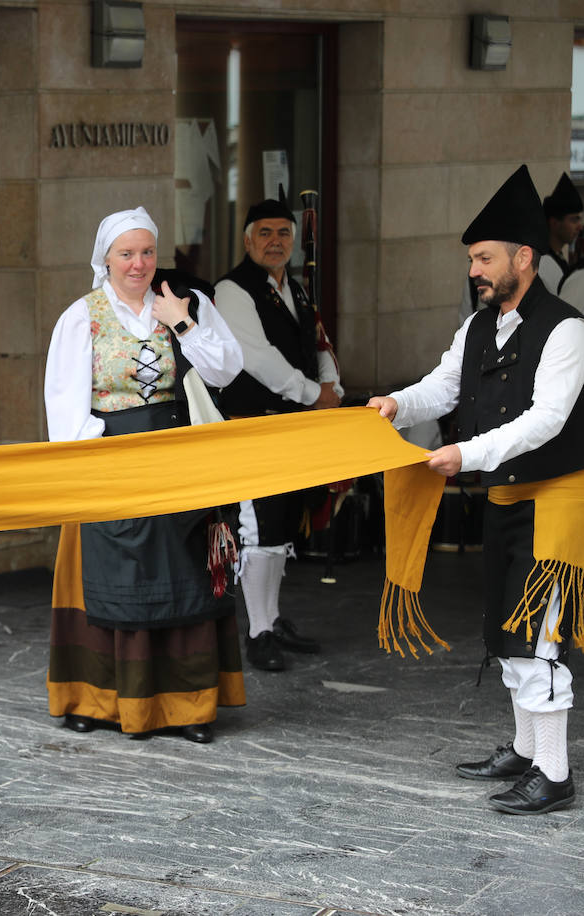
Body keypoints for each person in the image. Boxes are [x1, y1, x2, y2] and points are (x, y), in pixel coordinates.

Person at [368, 164, 584, 815]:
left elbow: (546, 419)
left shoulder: (568, 329)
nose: (475, 271)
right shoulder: (478, 325)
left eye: (485, 258)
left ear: (525, 256)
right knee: (506, 632)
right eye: (471, 260)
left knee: (541, 639)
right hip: (506, 499)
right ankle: (524, 750)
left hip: (557, 503)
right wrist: (395, 406)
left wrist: (466, 452)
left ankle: (555, 772)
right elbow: (442, 386)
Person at [43, 207, 245, 743]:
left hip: (182, 460)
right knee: (112, 582)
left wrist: (181, 320)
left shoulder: (188, 303)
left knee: (184, 580)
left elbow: (227, 368)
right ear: (105, 258)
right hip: (110, 463)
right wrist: (97, 466)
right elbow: (65, 406)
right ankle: (97, 700)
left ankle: (189, 706)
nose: (138, 264)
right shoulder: (81, 316)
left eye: (147, 252)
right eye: (126, 253)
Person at [212, 197, 340, 672]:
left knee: (283, 524)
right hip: (252, 424)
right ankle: (257, 631)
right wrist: (313, 393)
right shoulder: (232, 289)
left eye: (283, 233)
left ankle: (272, 618)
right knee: (259, 526)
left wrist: (334, 387)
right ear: (248, 240)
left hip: (293, 425)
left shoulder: (297, 291)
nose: (275, 241)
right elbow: (256, 356)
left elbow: (317, 343)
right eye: (264, 233)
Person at [536, 172, 581, 296]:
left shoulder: (559, 258)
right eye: (573, 220)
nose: (579, 227)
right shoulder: (544, 262)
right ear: (555, 223)